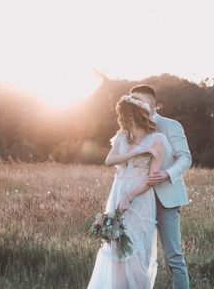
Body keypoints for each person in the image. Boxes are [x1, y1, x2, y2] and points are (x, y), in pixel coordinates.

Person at [86, 93, 172, 288]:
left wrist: (129, 196)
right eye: (124, 118)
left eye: (129, 117)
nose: (126, 122)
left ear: (140, 116)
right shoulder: (122, 138)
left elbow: (152, 178)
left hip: (139, 196)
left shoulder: (157, 140)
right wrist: (135, 152)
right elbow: (109, 161)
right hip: (118, 190)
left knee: (137, 248)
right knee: (116, 245)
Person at [129, 84, 192, 289]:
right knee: (137, 255)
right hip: (139, 199)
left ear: (153, 103)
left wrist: (167, 174)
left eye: (139, 100)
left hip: (166, 198)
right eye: (132, 101)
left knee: (173, 256)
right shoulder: (131, 128)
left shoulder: (171, 125)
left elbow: (185, 158)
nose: (135, 105)